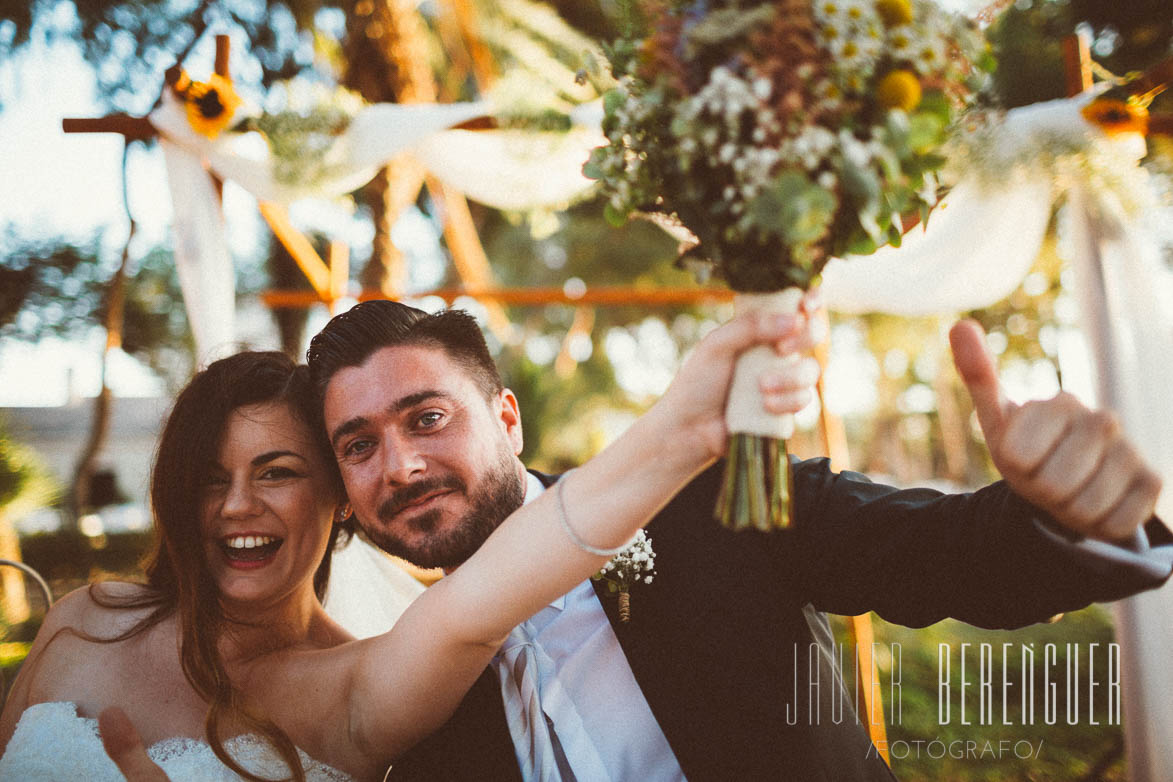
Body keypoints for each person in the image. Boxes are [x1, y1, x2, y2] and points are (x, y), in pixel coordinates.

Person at [294, 300, 1168, 782]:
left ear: (507, 419)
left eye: (428, 417)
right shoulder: (406, 692)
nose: (400, 465)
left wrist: (1065, 511)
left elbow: (947, 556)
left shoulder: (711, 501)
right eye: (358, 445)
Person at [0, 312, 816, 782]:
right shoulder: (83, 619)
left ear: (337, 498)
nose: (237, 506)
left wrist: (682, 430)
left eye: (276, 472)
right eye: (209, 478)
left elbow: (473, 606)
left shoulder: (357, 678)